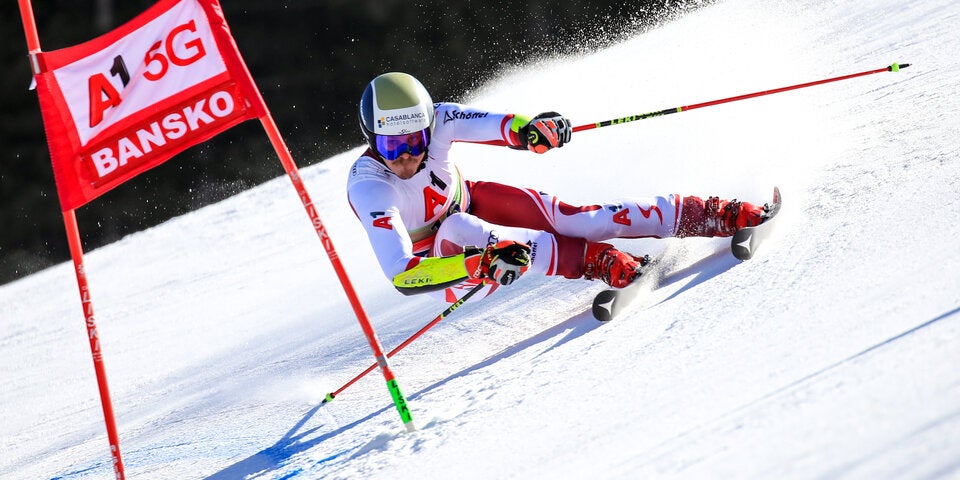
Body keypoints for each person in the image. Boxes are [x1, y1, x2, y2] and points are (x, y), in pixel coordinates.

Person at [347, 72, 769, 303]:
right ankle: (597, 262)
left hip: (471, 198)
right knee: (460, 228)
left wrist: (532, 130)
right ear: (372, 140)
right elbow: (403, 276)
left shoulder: (442, 119)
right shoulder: (371, 189)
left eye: (415, 141)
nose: (405, 156)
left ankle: (708, 213)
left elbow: (502, 125)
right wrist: (478, 265)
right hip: (447, 262)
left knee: (577, 218)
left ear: (428, 127)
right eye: (391, 145)